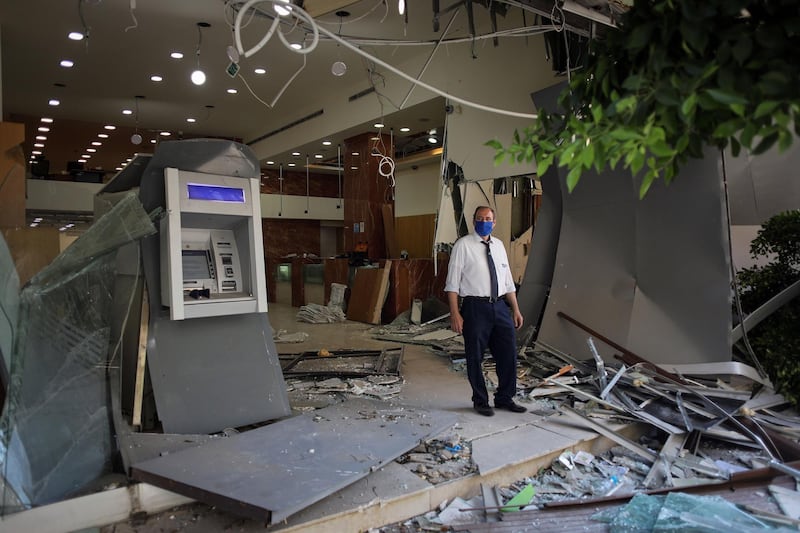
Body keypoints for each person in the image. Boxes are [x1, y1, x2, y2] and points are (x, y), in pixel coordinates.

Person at [445, 206, 526, 416]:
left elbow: (508, 282)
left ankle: (505, 397)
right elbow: (452, 284)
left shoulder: (499, 246)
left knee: (508, 353)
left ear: (494, 222)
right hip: (475, 307)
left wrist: (515, 309)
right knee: (475, 356)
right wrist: (455, 313)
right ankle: (480, 400)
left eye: (488, 218)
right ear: (474, 221)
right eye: (480, 218)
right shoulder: (463, 246)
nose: (484, 222)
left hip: (500, 306)